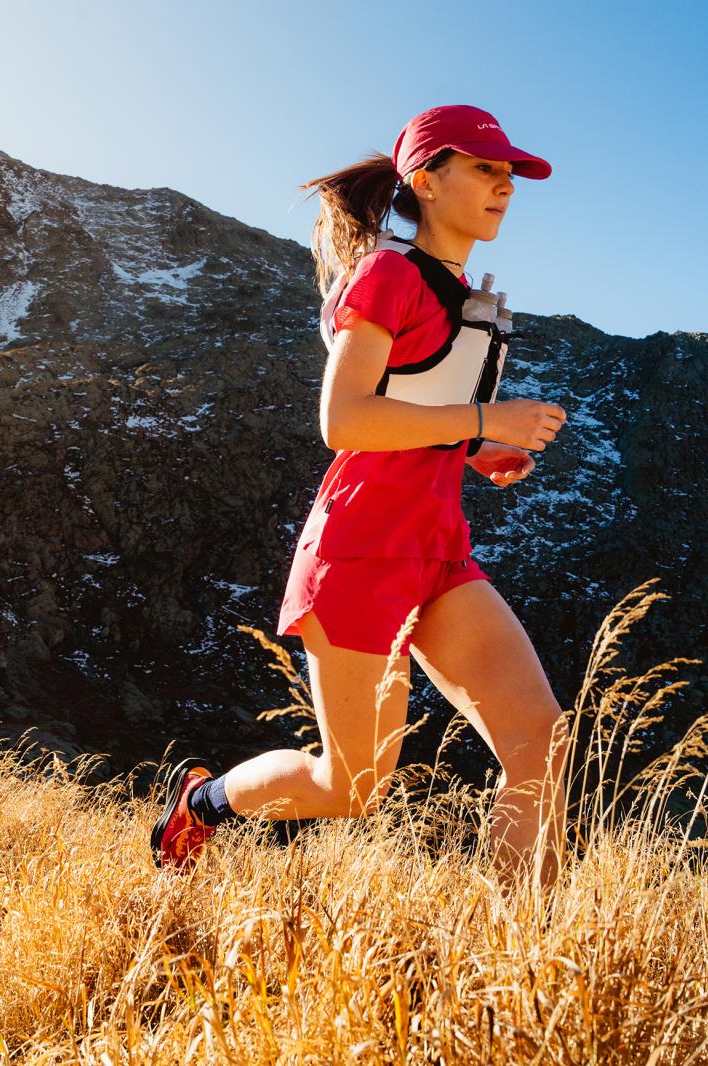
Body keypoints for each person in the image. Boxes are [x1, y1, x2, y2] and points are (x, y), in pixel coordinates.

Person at [151, 105, 570, 879]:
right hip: (360, 550)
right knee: (351, 785)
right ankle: (202, 805)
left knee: (542, 746)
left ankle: (522, 967)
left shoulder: (463, 295)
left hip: (440, 552)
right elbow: (344, 419)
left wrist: (480, 449)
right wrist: (483, 416)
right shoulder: (388, 275)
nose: (505, 186)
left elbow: (414, 410)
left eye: (511, 175)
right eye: (486, 168)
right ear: (426, 177)